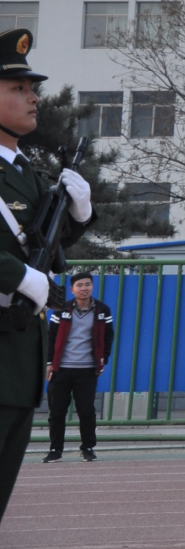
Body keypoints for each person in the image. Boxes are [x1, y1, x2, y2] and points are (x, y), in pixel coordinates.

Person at [0, 28, 93, 521]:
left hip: (19, 360)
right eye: (17, 88)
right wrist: (18, 276)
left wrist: (79, 215)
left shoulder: (25, 174)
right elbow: (23, 263)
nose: (33, 97)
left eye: (32, 88)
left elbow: (45, 247)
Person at [44, 269, 113, 463]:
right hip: (61, 369)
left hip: (87, 369)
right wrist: (49, 363)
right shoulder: (61, 310)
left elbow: (108, 337)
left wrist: (103, 360)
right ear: (72, 290)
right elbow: (51, 337)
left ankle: (88, 448)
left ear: (92, 286)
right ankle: (55, 449)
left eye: (87, 284)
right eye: (79, 285)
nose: (84, 288)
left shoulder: (102, 310)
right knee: (57, 411)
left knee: (86, 410)